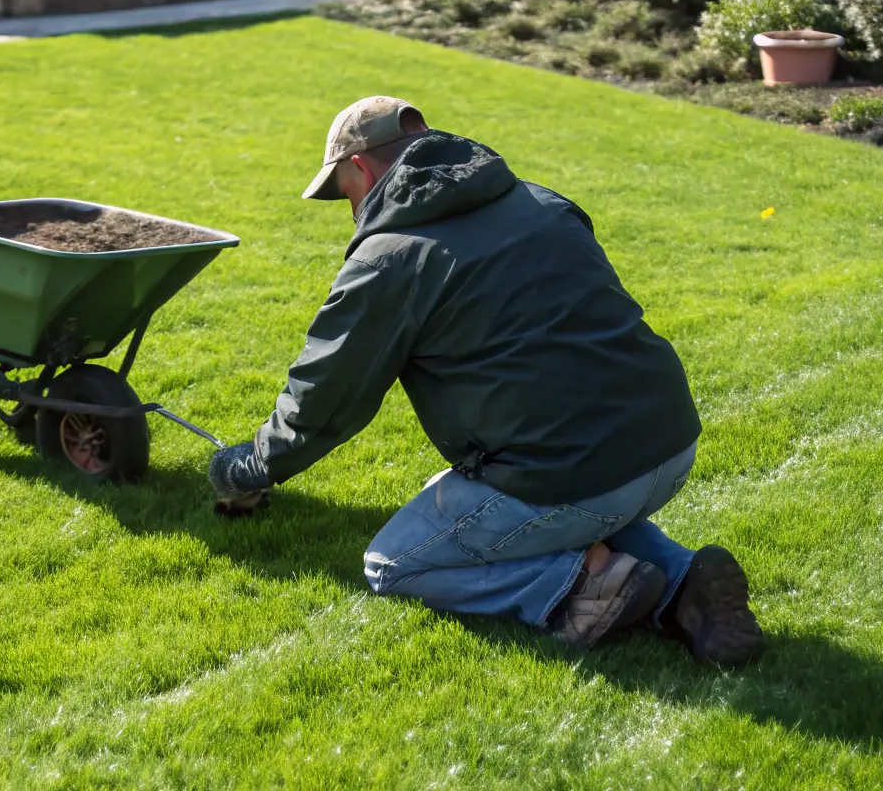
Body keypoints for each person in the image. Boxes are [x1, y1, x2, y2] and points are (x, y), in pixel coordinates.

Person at [208, 97, 762, 666]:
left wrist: (251, 465)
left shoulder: (390, 260)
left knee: (395, 562)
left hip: (579, 475)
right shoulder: (542, 201)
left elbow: (325, 395)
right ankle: (682, 582)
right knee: (510, 492)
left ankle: (582, 589)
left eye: (343, 189)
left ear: (364, 169)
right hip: (668, 443)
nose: (348, 205)